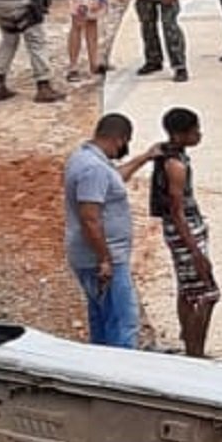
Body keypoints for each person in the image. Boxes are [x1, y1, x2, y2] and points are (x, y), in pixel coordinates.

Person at [64, 113, 160, 348]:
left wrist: (145, 157)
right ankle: (120, 374)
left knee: (102, 320)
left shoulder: (86, 159)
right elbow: (90, 218)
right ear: (120, 139)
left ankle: (100, 371)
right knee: (122, 323)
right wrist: (105, 259)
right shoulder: (93, 169)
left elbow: (114, 179)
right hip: (103, 260)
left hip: (93, 257)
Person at [150, 107, 221, 357]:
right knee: (207, 293)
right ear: (180, 134)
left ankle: (190, 342)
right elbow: (177, 210)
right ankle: (195, 351)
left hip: (184, 229)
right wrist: (195, 252)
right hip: (185, 232)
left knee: (187, 290)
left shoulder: (170, 155)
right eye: (194, 131)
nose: (199, 135)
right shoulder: (176, 165)